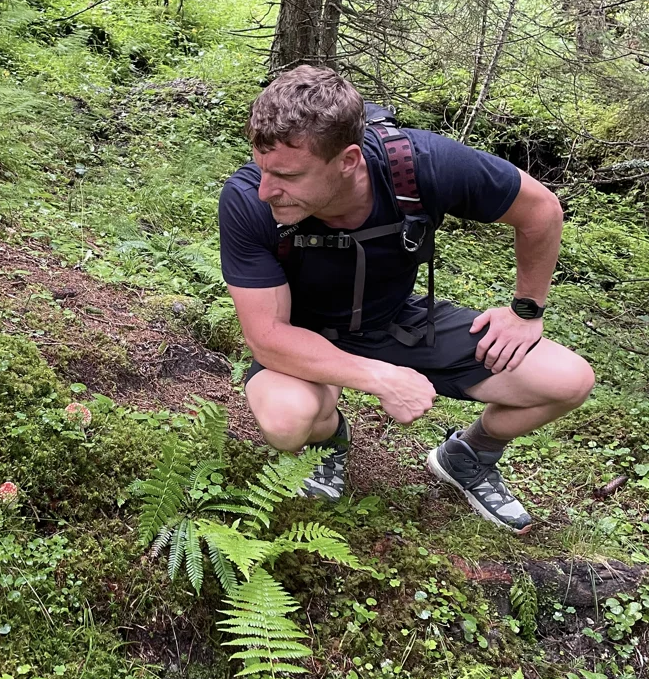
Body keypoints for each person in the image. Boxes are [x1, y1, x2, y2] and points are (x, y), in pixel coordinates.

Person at [219, 65, 595, 533]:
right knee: (285, 419)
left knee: (569, 380)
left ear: (349, 160)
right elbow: (268, 338)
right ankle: (328, 441)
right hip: (304, 336)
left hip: (397, 322)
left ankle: (469, 456)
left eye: (288, 175)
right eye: (262, 168)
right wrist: (382, 379)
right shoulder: (246, 202)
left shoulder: (418, 165)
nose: (266, 190)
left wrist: (526, 309)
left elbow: (540, 209)